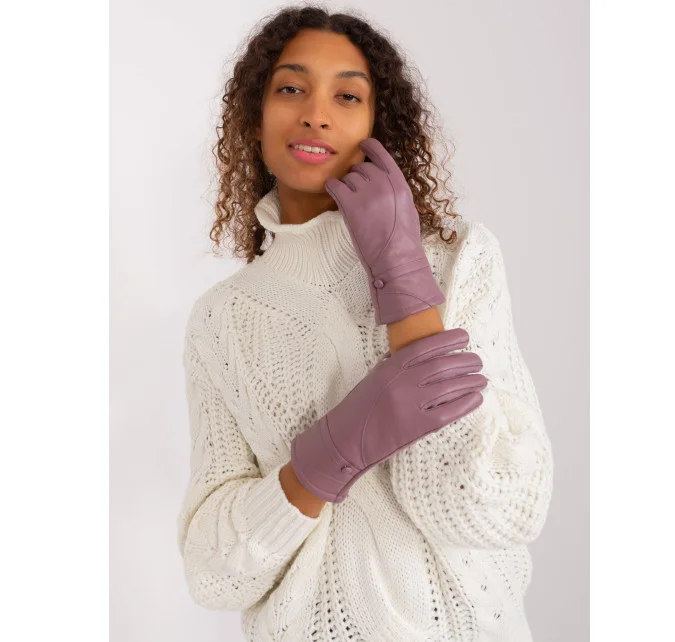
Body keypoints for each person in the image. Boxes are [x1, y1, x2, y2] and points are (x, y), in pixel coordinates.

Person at [176, 5, 554, 641]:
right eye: (290, 89)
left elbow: (499, 507)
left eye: (347, 96)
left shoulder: (458, 261)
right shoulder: (222, 319)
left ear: (379, 124)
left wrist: (402, 276)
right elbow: (212, 573)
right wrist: (325, 459)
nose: (316, 114)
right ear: (254, 117)